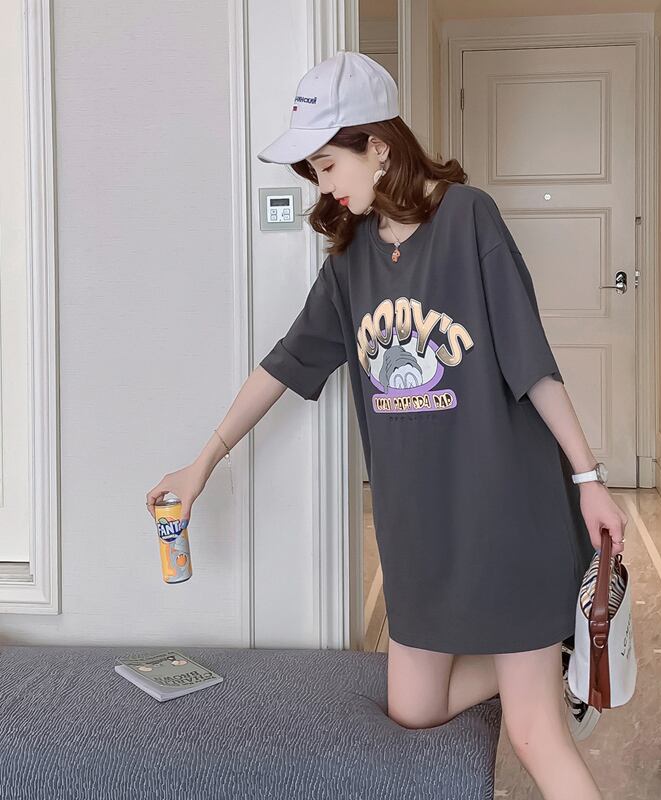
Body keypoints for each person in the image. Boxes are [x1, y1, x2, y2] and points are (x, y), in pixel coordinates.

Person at [146, 50, 628, 800]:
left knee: (535, 734)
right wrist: (203, 461)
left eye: (328, 164)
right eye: (314, 170)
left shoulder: (469, 218)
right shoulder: (351, 263)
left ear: (378, 146)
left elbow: (532, 361)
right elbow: (283, 364)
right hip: (419, 530)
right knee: (414, 709)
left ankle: (537, 665)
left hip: (505, 511)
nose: (323, 186)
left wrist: (588, 478)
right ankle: (551, 656)